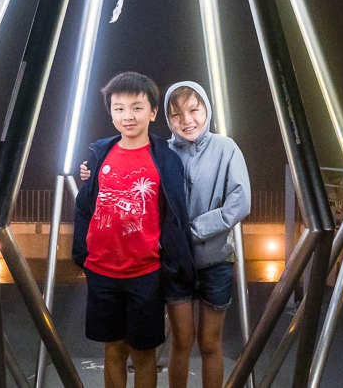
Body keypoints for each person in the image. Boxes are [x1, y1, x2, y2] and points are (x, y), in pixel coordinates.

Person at [81, 80, 251, 388]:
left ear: (207, 110)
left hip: (216, 261)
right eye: (177, 115)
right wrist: (90, 170)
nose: (187, 120)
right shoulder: (163, 152)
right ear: (167, 119)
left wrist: (188, 232)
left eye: (194, 111)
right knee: (181, 342)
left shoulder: (226, 148)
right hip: (173, 264)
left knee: (211, 343)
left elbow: (239, 202)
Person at [72, 72, 195, 388]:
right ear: (110, 112)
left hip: (146, 274)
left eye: (137, 107)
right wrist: (82, 254)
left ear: (153, 112)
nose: (128, 116)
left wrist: (174, 263)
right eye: (119, 108)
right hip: (101, 271)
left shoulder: (166, 158)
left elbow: (175, 214)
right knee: (112, 349)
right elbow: (86, 205)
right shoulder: (99, 154)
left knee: (144, 354)